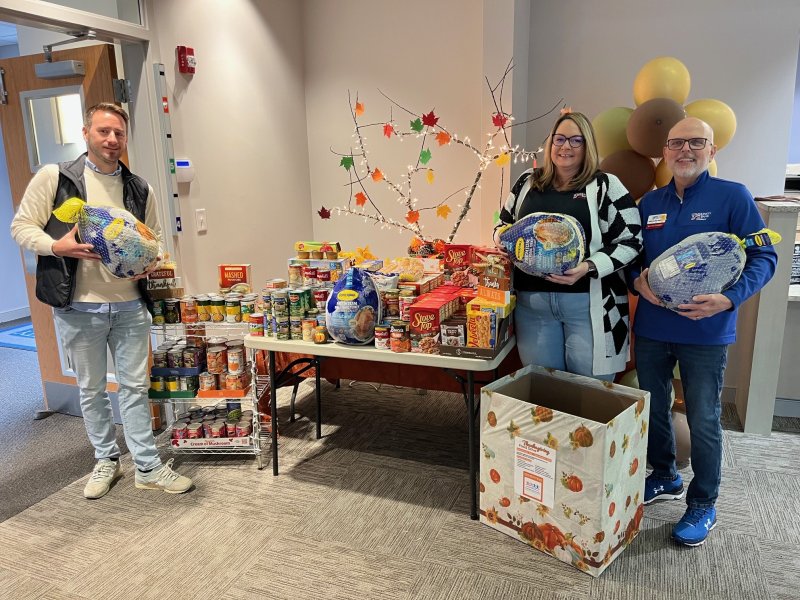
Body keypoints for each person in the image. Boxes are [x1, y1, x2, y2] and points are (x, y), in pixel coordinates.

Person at [11, 102, 192, 499]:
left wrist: (151, 261)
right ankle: (105, 460)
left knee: (134, 388)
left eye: (119, 134)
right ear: (87, 133)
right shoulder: (56, 178)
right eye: (103, 132)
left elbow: (156, 238)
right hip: (78, 306)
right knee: (91, 389)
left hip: (130, 307)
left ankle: (147, 466)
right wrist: (57, 246)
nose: (112, 140)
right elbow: (21, 227)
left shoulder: (138, 186)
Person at [630, 117, 777, 546]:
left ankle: (703, 502)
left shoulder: (733, 196)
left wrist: (730, 299)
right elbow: (631, 260)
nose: (685, 150)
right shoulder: (648, 203)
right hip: (654, 327)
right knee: (655, 407)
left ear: (712, 151)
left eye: (697, 142)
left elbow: (763, 257)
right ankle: (664, 475)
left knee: (704, 417)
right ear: (665, 151)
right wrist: (637, 280)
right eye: (676, 143)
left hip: (706, 331)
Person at [494, 111, 642, 380]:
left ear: (588, 146)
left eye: (576, 140)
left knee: (590, 392)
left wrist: (588, 266)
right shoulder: (527, 182)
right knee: (542, 387)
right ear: (550, 143)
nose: (566, 147)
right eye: (560, 139)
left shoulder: (607, 186)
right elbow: (502, 225)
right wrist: (503, 241)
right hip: (532, 306)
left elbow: (632, 241)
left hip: (589, 305)